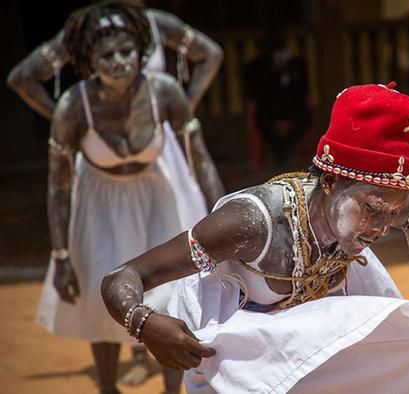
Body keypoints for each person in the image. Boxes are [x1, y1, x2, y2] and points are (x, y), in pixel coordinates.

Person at [102, 82, 409, 393]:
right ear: (332, 181)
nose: (380, 227)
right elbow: (122, 277)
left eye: (393, 215)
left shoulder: (389, 201)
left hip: (316, 356)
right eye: (371, 210)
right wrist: (144, 323)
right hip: (229, 364)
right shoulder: (251, 225)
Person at [37, 2, 225, 393]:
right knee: (100, 293)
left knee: (169, 294)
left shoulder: (165, 93)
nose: (119, 62)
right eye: (107, 56)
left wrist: (221, 218)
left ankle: (173, 390)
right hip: (98, 202)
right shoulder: (74, 106)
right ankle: (108, 387)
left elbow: (202, 160)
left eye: (127, 53)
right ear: (89, 60)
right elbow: (58, 185)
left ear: (141, 53)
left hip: (157, 197)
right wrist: (61, 255)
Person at [7, 0, 223, 120]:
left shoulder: (157, 23)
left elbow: (211, 53)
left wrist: (187, 105)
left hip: (160, 142)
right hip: (102, 147)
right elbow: (22, 78)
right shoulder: (85, 29)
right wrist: (63, 120)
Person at [243, 26, 311, 167]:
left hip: (293, 110)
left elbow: (303, 91)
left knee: (305, 117)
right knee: (262, 121)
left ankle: (288, 153)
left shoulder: (297, 64)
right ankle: (279, 156)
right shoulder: (256, 67)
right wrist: (273, 72)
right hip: (268, 111)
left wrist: (289, 71)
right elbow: (255, 94)